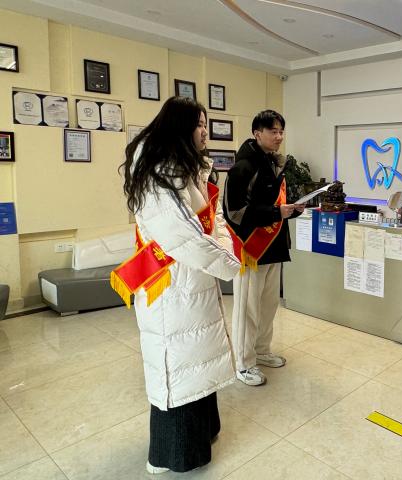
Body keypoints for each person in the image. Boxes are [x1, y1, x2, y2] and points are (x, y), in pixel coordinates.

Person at [115, 96, 240, 474]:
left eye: (205, 124)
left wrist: (224, 248)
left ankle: (203, 435)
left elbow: (213, 220)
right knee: (180, 367)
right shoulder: (159, 175)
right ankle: (174, 455)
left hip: (194, 281)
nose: (205, 131)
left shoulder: (190, 168)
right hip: (170, 288)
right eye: (199, 124)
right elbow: (183, 238)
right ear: (180, 128)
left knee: (197, 360)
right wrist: (229, 263)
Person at [223, 110, 305, 386]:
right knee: (248, 309)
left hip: (274, 247)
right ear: (257, 133)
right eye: (273, 131)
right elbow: (234, 212)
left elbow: (275, 207)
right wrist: (275, 212)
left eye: (281, 131)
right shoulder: (243, 167)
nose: (279, 136)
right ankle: (244, 363)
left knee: (268, 305)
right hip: (251, 250)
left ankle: (261, 350)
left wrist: (292, 211)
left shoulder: (275, 164)